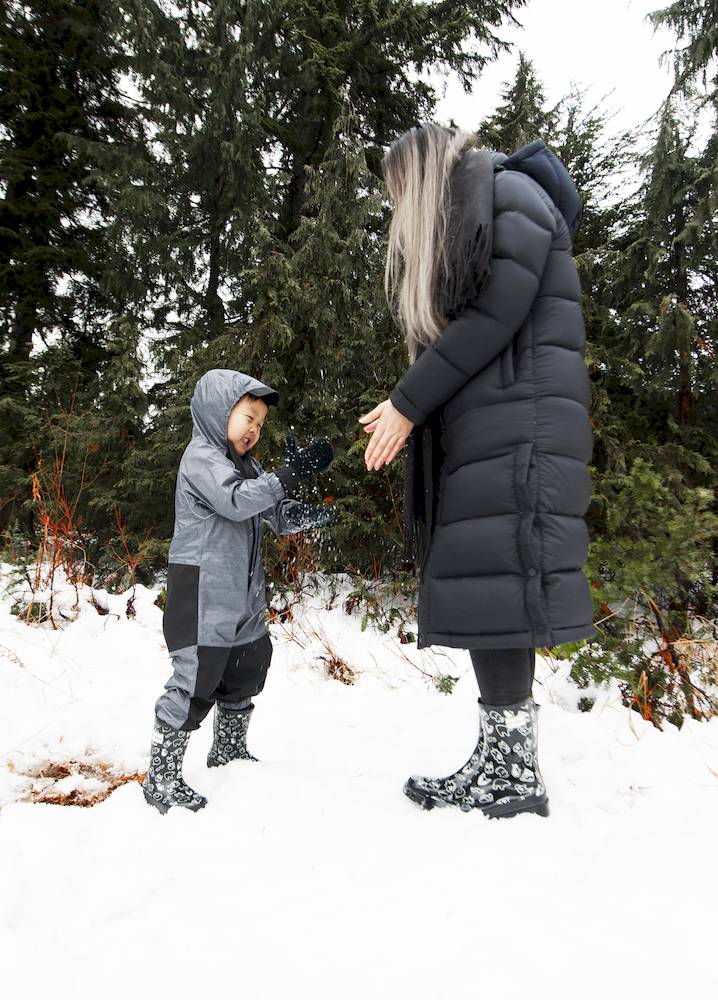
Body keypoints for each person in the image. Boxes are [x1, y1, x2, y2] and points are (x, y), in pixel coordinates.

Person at [359, 124, 597, 820]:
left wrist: (408, 403)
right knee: (490, 583)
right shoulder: (485, 206)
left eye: (403, 189)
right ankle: (503, 759)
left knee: (499, 578)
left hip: (521, 425)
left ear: (428, 171)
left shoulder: (511, 193)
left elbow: (496, 311)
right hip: (500, 420)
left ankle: (515, 772)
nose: (403, 206)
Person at [142, 368, 334, 813]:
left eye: (260, 423)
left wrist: (304, 513)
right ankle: (162, 778)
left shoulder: (249, 466)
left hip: (243, 592)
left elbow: (272, 509)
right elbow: (237, 500)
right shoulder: (202, 459)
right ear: (218, 411)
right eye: (248, 416)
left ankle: (228, 751)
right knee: (196, 678)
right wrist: (286, 475)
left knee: (246, 665)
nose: (254, 429)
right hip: (203, 591)